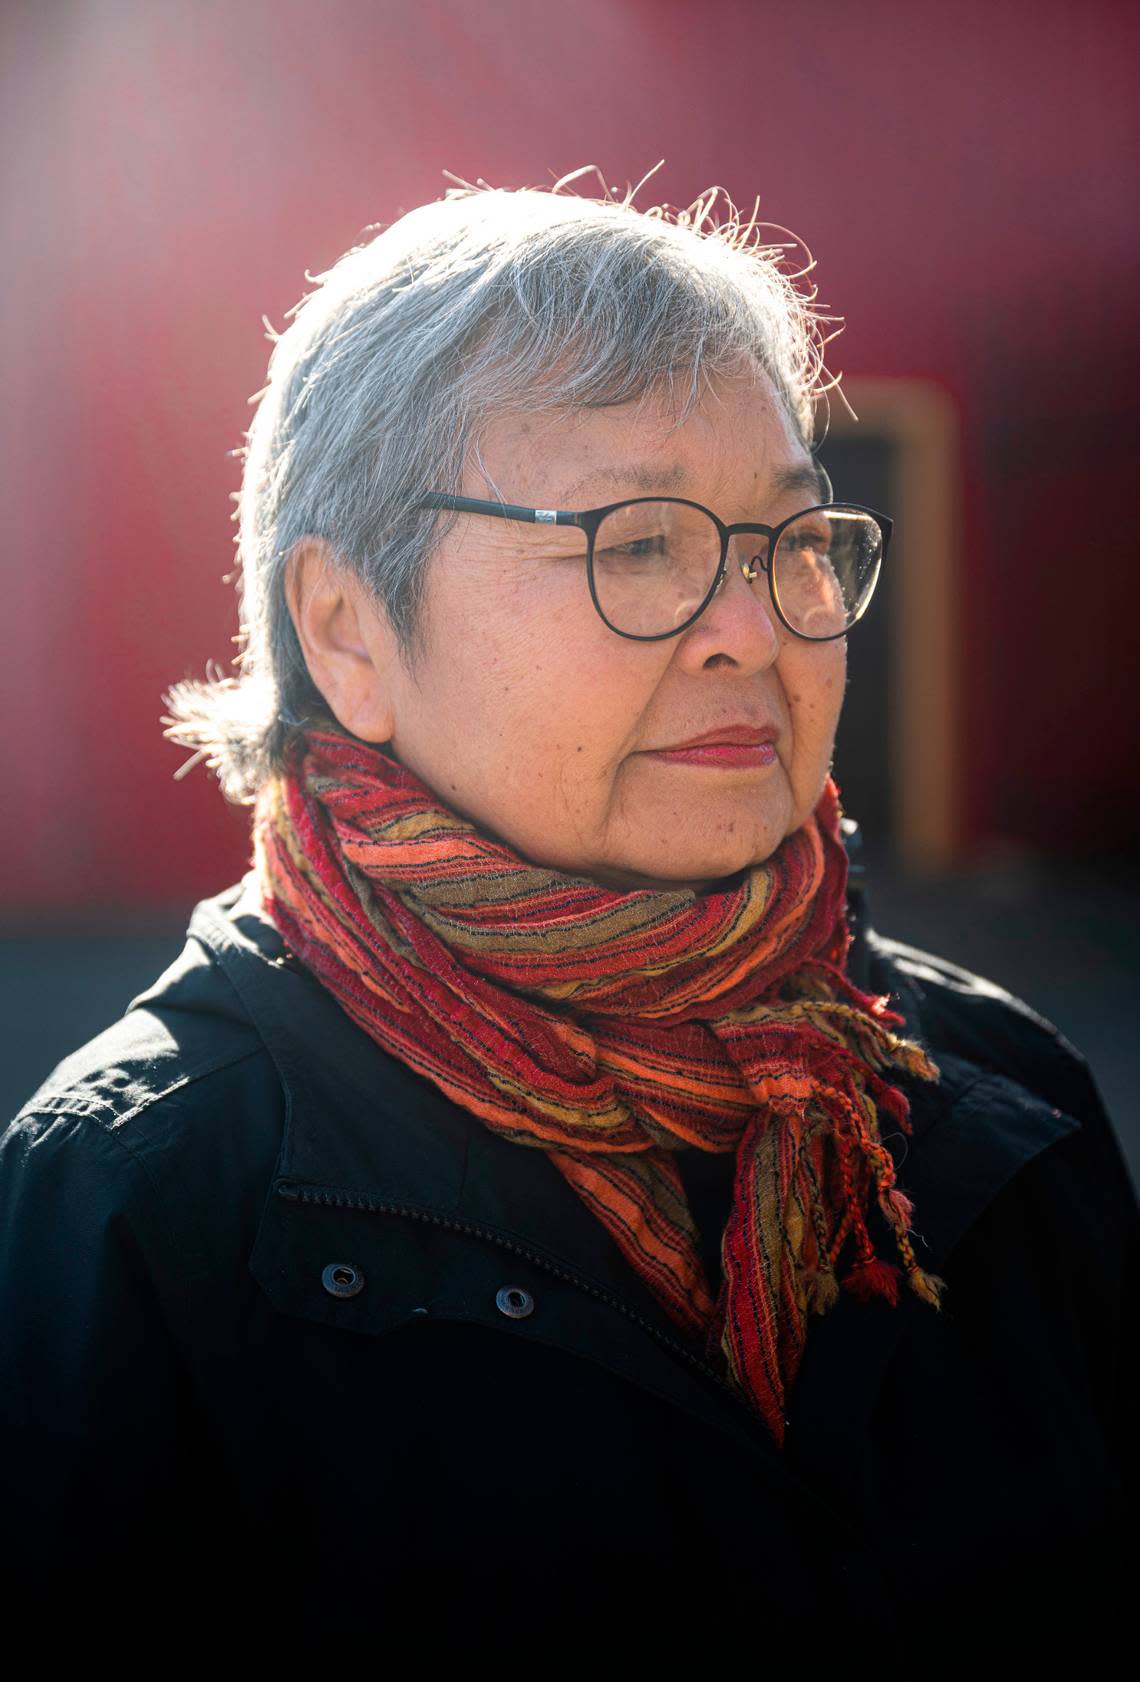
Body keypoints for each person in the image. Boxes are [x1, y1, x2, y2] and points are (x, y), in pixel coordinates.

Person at [2, 178, 1135, 1663]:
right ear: (348, 629)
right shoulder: (143, 1209)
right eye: (639, 543)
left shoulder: (997, 1104)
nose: (750, 625)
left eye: (792, 542)